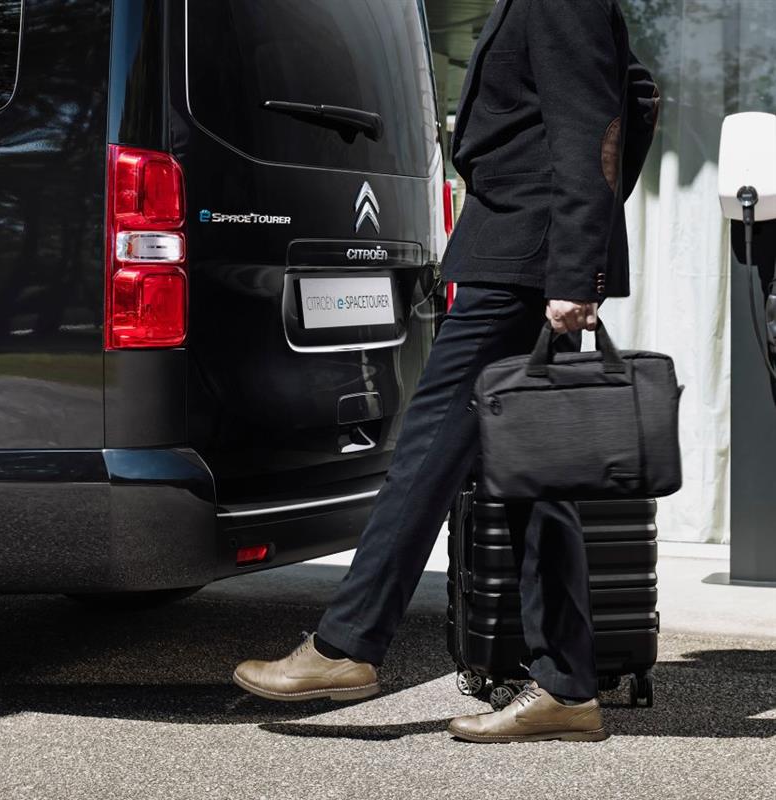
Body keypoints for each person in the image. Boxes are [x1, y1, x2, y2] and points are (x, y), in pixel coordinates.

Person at [232, 0, 660, 743]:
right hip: (518, 250)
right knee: (536, 480)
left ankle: (346, 645)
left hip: (522, 260)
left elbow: (594, 125)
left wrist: (572, 272)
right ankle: (565, 687)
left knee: (429, 448)